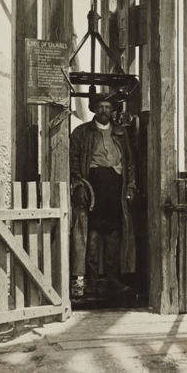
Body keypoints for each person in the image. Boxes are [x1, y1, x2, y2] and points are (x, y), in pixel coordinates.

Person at [70, 94, 136, 297]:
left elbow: (130, 163)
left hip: (116, 186)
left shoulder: (121, 133)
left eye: (108, 106)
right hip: (94, 185)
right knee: (93, 233)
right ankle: (90, 281)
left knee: (114, 233)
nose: (104, 110)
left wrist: (131, 186)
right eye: (100, 106)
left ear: (113, 109)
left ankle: (113, 279)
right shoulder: (81, 132)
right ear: (93, 109)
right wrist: (78, 185)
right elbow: (73, 162)